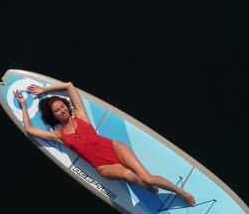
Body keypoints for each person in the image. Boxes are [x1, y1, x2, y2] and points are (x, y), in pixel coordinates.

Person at [14, 82, 196, 206]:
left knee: (146, 176)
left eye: (62, 106)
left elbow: (69, 86)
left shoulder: (81, 114)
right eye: (57, 110)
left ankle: (180, 192)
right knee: (128, 175)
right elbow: (30, 130)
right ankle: (146, 187)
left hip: (115, 148)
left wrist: (44, 91)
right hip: (103, 166)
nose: (61, 110)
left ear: (66, 106)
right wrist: (23, 104)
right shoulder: (59, 135)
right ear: (54, 116)